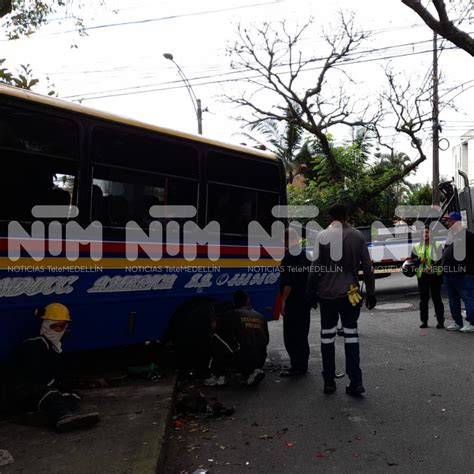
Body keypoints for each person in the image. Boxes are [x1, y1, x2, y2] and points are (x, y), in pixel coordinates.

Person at [307, 203, 376, 396]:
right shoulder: (357, 236)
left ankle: (329, 382)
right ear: (346, 216)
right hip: (350, 295)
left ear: (330, 217)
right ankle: (356, 382)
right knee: (351, 336)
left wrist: (310, 292)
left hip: (327, 296)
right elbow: (368, 268)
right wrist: (371, 293)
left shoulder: (322, 236)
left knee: (327, 338)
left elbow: (315, 269)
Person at [15, 303, 100, 432]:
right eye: (54, 326)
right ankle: (62, 417)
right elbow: (34, 376)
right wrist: (54, 384)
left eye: (62, 327)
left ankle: (44, 417)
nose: (58, 330)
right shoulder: (35, 344)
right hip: (27, 390)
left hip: (43, 390)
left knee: (72, 396)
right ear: (46, 325)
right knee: (51, 394)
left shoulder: (55, 348)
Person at [205, 290, 269, 387]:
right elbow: (266, 340)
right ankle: (252, 371)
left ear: (234, 302)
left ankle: (218, 375)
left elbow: (215, 327)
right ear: (248, 301)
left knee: (216, 336)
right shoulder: (261, 316)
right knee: (248, 344)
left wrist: (211, 317)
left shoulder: (231, 314)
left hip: (241, 358)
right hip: (260, 358)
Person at [279, 227, 311, 377]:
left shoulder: (288, 257)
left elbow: (288, 282)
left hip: (293, 301)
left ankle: (296, 366)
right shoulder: (306, 255)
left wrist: (283, 300)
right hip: (305, 300)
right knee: (302, 333)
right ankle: (302, 364)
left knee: (291, 335)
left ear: (286, 240)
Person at [441, 212, 474, 333]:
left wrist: (466, 269)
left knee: (468, 297)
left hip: (463, 275)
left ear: (457, 222)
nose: (447, 222)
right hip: (449, 274)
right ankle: (457, 322)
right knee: (452, 299)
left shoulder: (468, 235)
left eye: (450, 220)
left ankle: (472, 323)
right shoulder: (451, 235)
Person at [411, 226, 444, 329]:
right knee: (423, 299)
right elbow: (412, 262)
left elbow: (442, 260)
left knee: (437, 299)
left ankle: (440, 321)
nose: (425, 234)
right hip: (423, 276)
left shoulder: (437, 245)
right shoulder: (416, 247)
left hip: (435, 275)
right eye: (424, 233)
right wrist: (420, 261)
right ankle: (424, 321)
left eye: (427, 232)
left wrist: (433, 266)